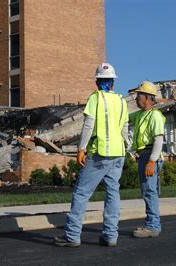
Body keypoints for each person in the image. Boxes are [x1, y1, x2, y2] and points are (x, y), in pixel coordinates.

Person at [54, 63, 130, 248]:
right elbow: (125, 128)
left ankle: (72, 235)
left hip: (100, 153)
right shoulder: (121, 101)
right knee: (113, 193)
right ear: (112, 82)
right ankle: (111, 236)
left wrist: (81, 149)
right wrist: (128, 147)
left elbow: (89, 125)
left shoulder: (96, 98)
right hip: (118, 153)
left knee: (81, 193)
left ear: (97, 82)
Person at [129, 81, 166, 238]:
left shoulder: (155, 115)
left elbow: (158, 140)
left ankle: (152, 226)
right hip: (144, 155)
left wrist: (151, 161)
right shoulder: (139, 115)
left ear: (147, 98)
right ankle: (151, 224)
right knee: (147, 191)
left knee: (150, 191)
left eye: (138, 96)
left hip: (151, 156)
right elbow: (123, 117)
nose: (136, 99)